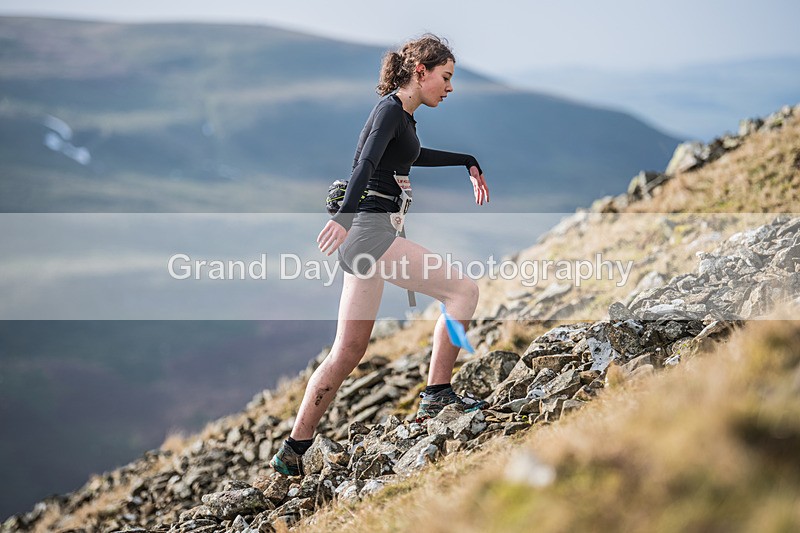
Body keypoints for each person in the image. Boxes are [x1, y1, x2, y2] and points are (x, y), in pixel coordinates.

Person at [271, 34, 490, 476]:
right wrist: (344, 218)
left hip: (366, 238)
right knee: (463, 292)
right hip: (370, 233)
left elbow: (411, 156)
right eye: (446, 77)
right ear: (420, 72)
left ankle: (294, 449)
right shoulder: (390, 110)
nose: (450, 87)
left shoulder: (404, 117)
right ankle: (437, 395)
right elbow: (366, 164)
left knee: (349, 350)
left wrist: (467, 159)